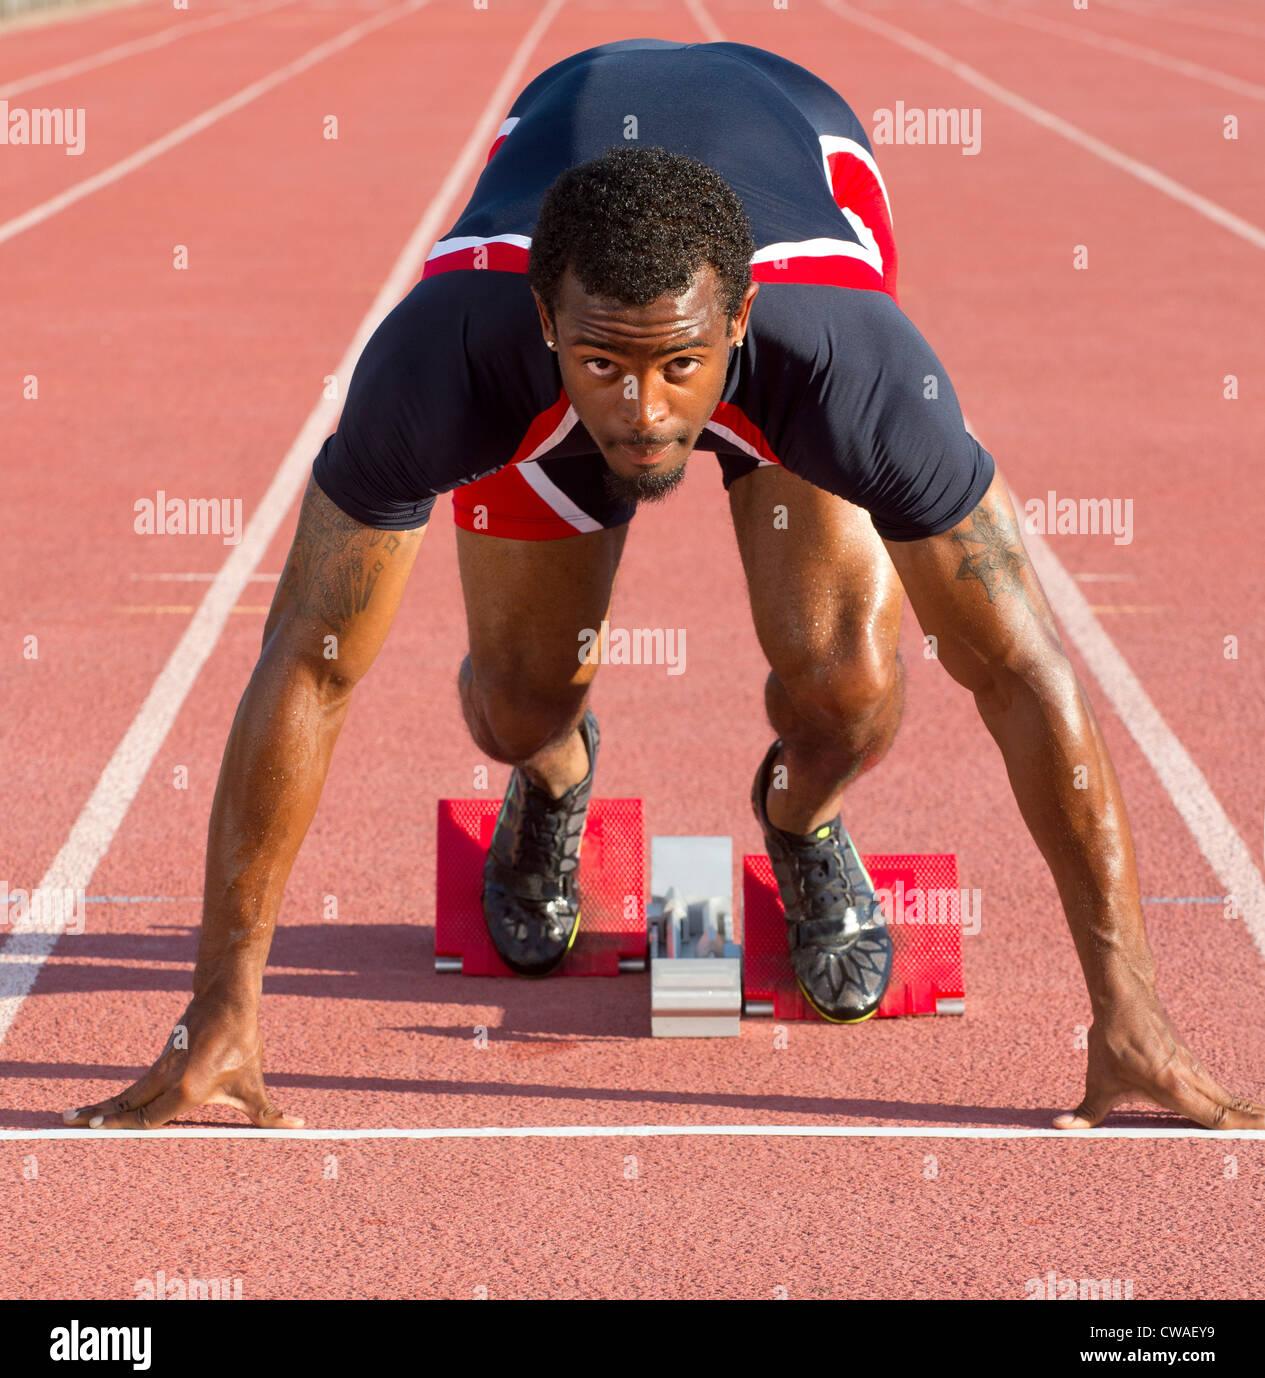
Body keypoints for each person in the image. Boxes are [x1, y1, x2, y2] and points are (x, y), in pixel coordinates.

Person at [64, 40, 1262, 1132]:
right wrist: (218, 1010)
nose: (643, 414)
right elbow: (310, 661)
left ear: (735, 318)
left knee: (845, 685)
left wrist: (1128, 1009)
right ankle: (555, 776)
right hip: (572, 286)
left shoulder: (853, 372)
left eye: (677, 368)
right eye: (604, 367)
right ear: (543, 321)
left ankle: (800, 823)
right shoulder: (445, 360)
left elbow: (1018, 663)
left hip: (800, 200)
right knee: (520, 700)